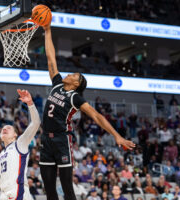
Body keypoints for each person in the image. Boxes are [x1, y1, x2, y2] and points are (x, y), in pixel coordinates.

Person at [40, 25, 135, 200]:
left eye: (74, 75)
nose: (70, 74)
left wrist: (117, 136)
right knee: (49, 190)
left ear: (76, 84)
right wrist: (47, 31)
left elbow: (97, 116)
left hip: (62, 140)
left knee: (68, 188)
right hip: (46, 139)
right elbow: (50, 58)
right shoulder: (58, 84)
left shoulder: (75, 98)